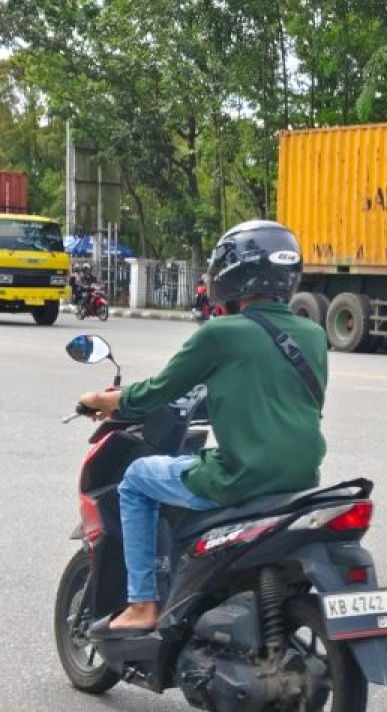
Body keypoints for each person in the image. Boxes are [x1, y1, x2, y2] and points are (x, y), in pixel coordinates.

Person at [78, 221, 328, 635]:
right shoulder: (314, 334)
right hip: (302, 478)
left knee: (137, 479)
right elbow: (290, 400)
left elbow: (156, 392)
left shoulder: (220, 334)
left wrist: (106, 401)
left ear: (233, 275)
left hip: (242, 476)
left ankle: (142, 604)